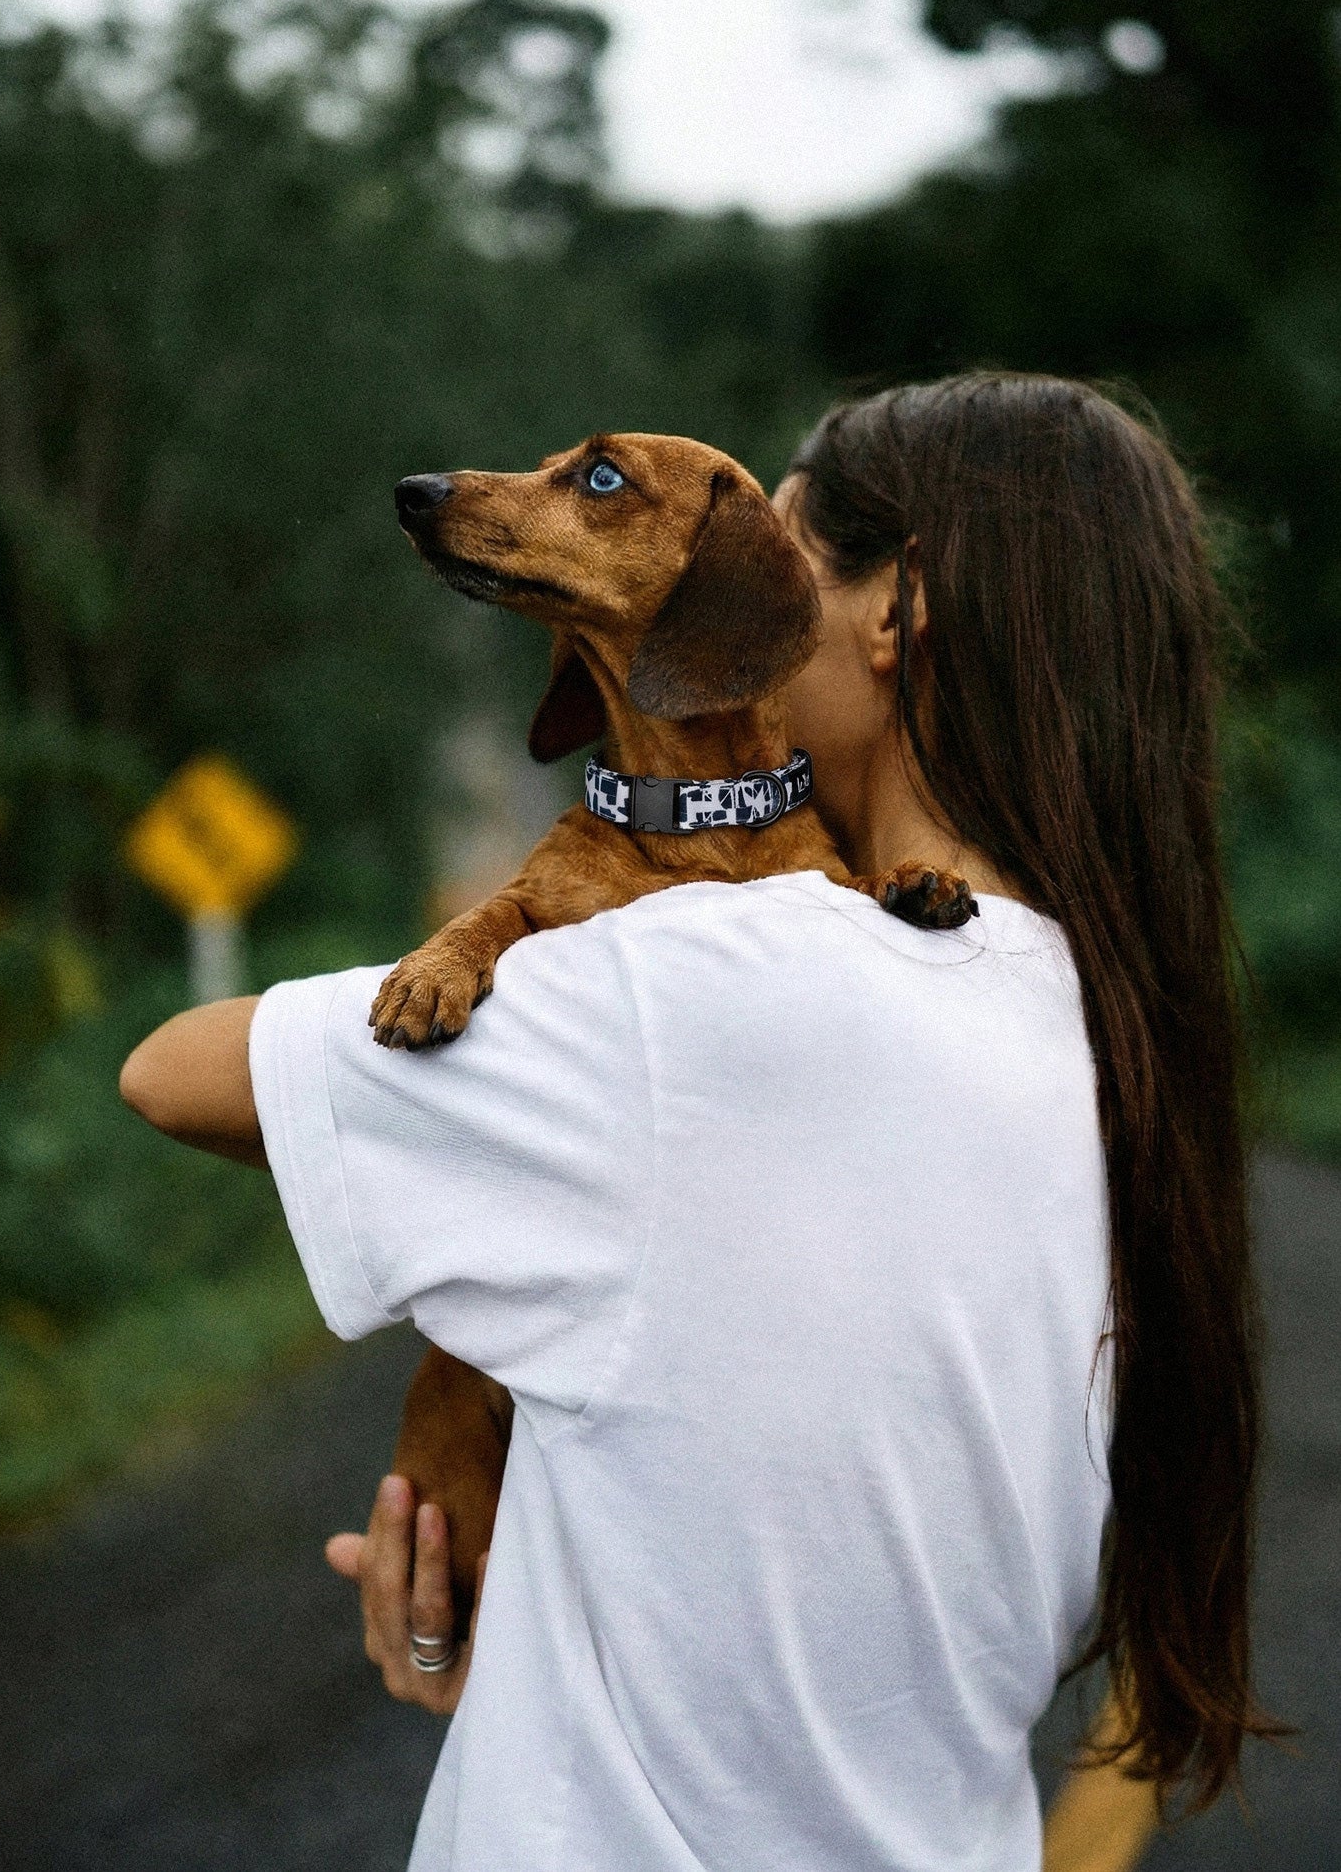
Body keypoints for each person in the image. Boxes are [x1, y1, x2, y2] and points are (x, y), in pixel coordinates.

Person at [121, 374, 1277, 1870]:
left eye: (791, 557)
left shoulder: (716, 993)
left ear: (893, 612)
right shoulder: (1109, 1045)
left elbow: (179, 1070)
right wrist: (554, 1619)